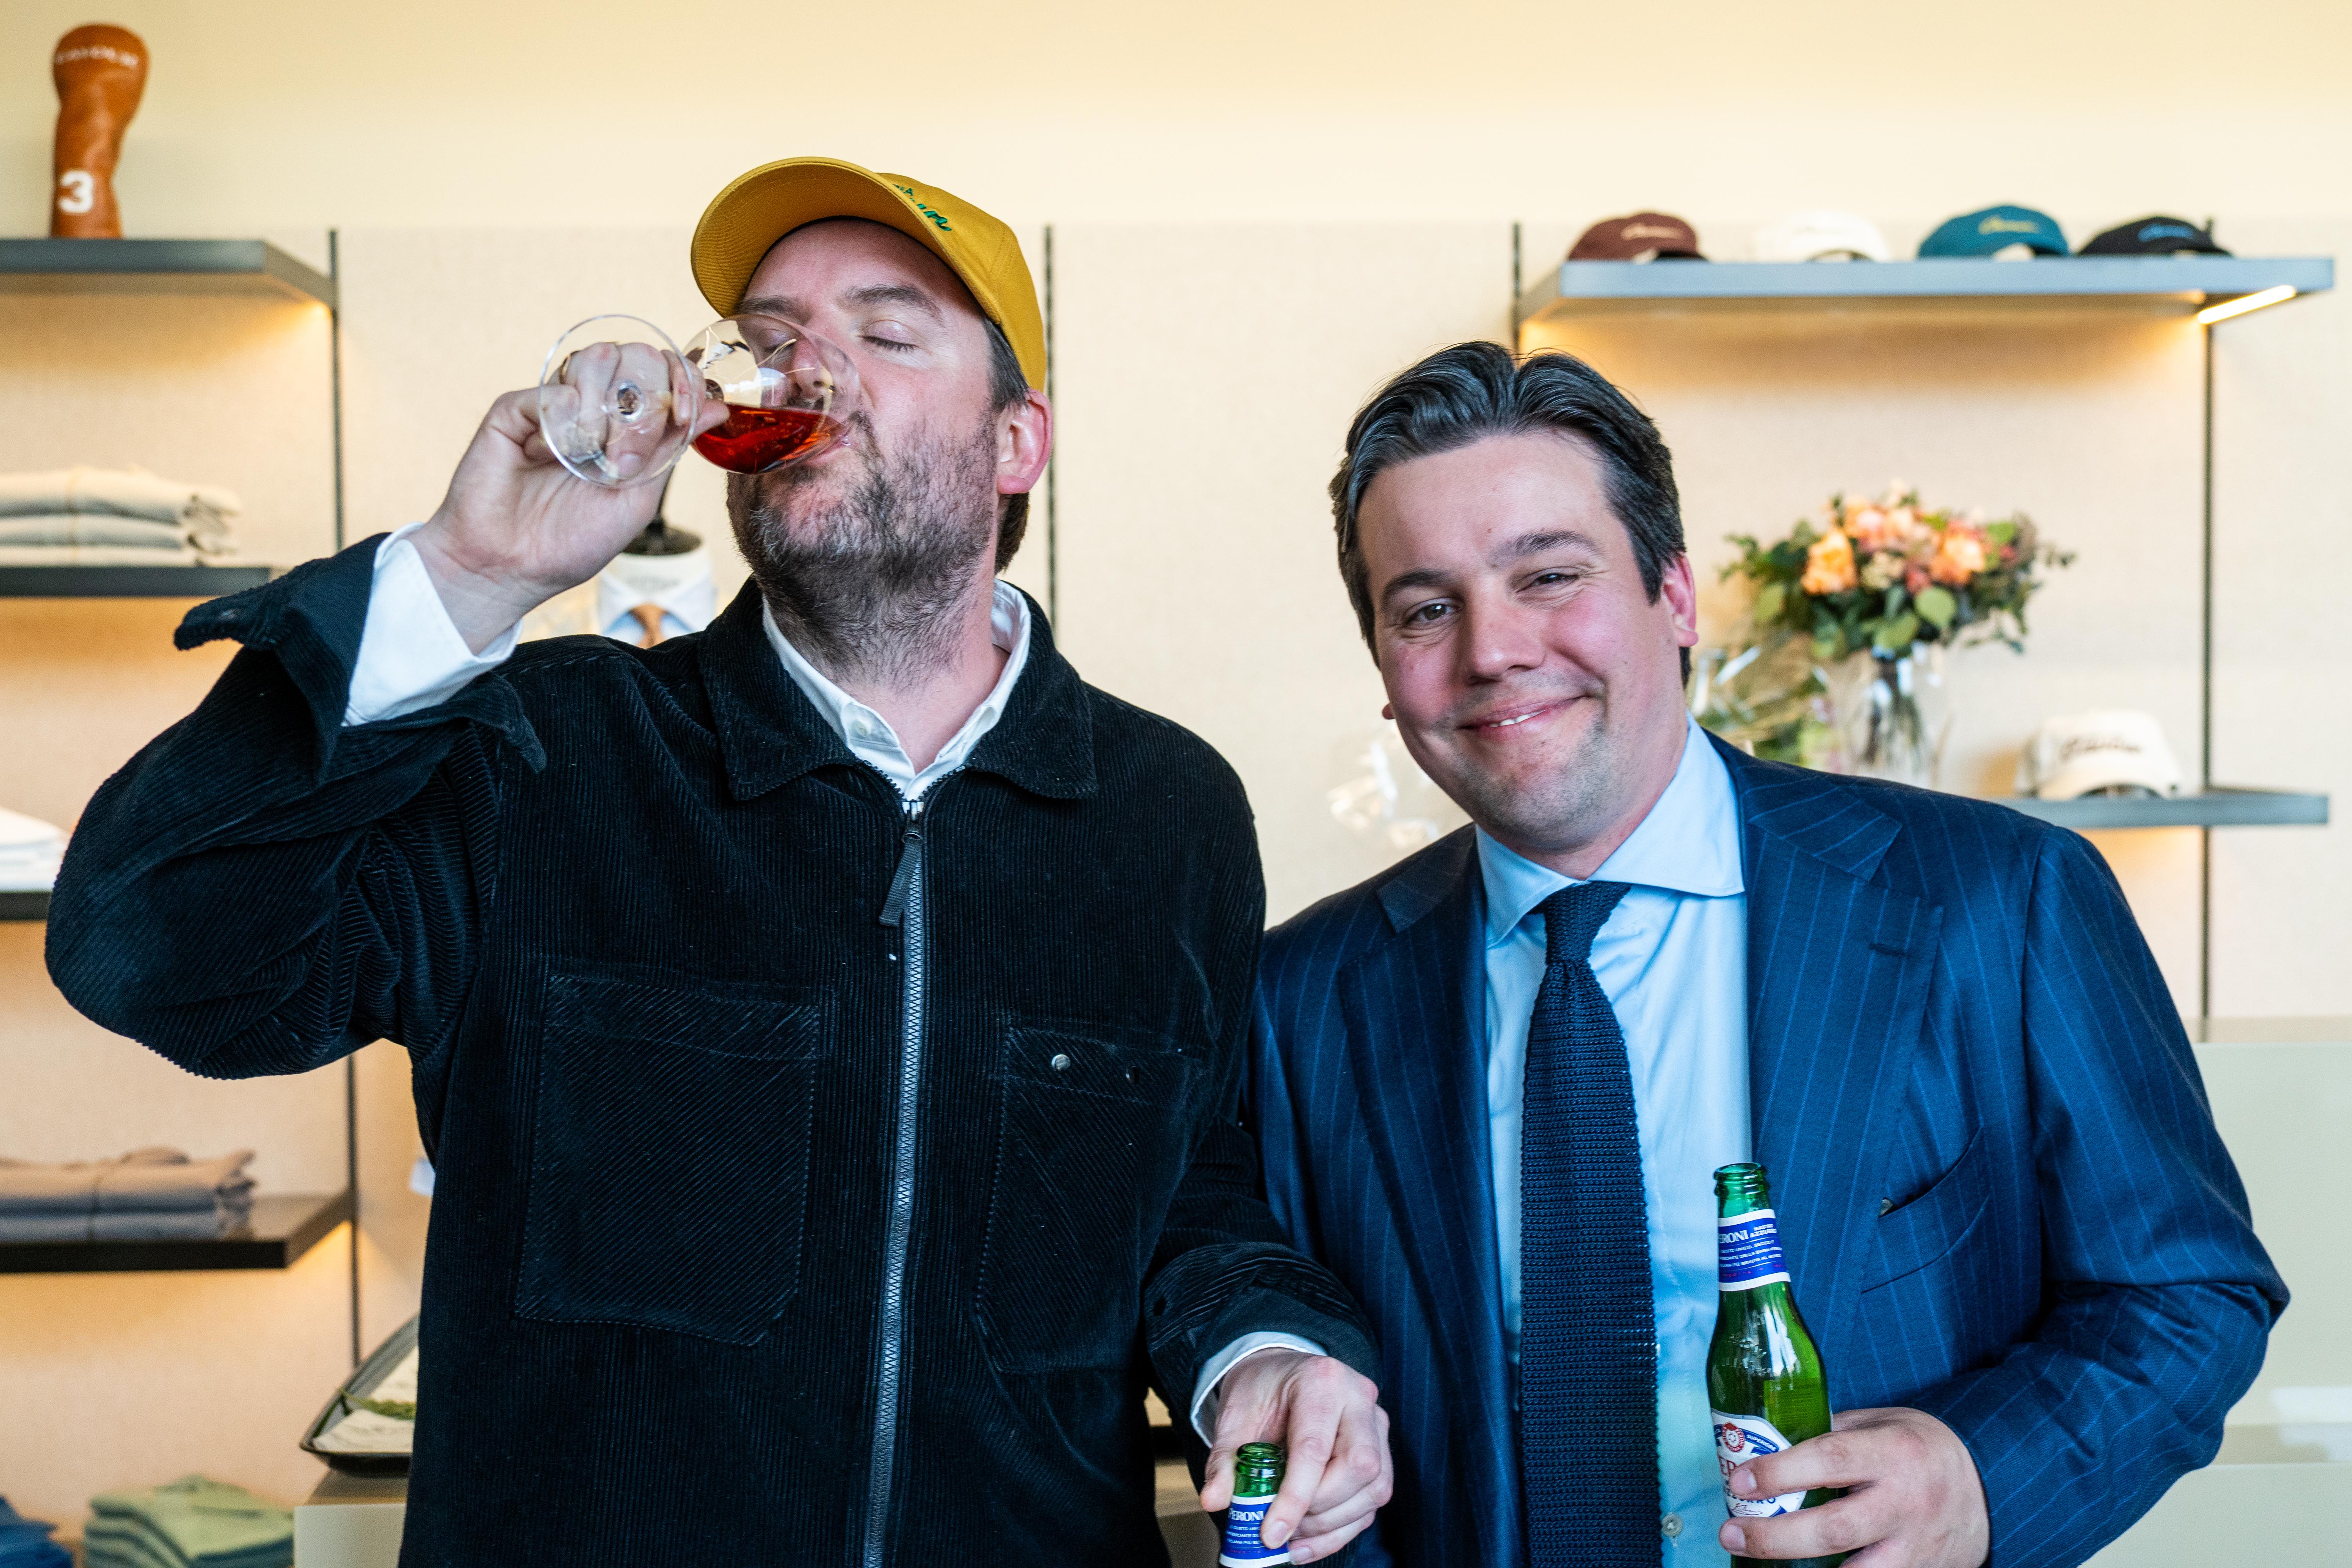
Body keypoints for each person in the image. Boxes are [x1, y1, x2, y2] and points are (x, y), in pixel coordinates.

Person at [47, 156, 1391, 1567]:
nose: (805, 371)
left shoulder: (1166, 811)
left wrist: (1263, 1343)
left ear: (1016, 444)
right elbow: (147, 945)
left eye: (883, 331)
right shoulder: (550, 748)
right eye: (770, 339)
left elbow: (1183, 1191)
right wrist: (468, 572)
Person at [1248, 341, 2285, 1568]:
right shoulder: (1301, 997)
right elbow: (1312, 1385)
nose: (1493, 650)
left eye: (1550, 575)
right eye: (1425, 608)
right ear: (1383, 666)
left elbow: (2188, 1295)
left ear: (1675, 595)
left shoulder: (2001, 899)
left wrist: (1979, 1479)